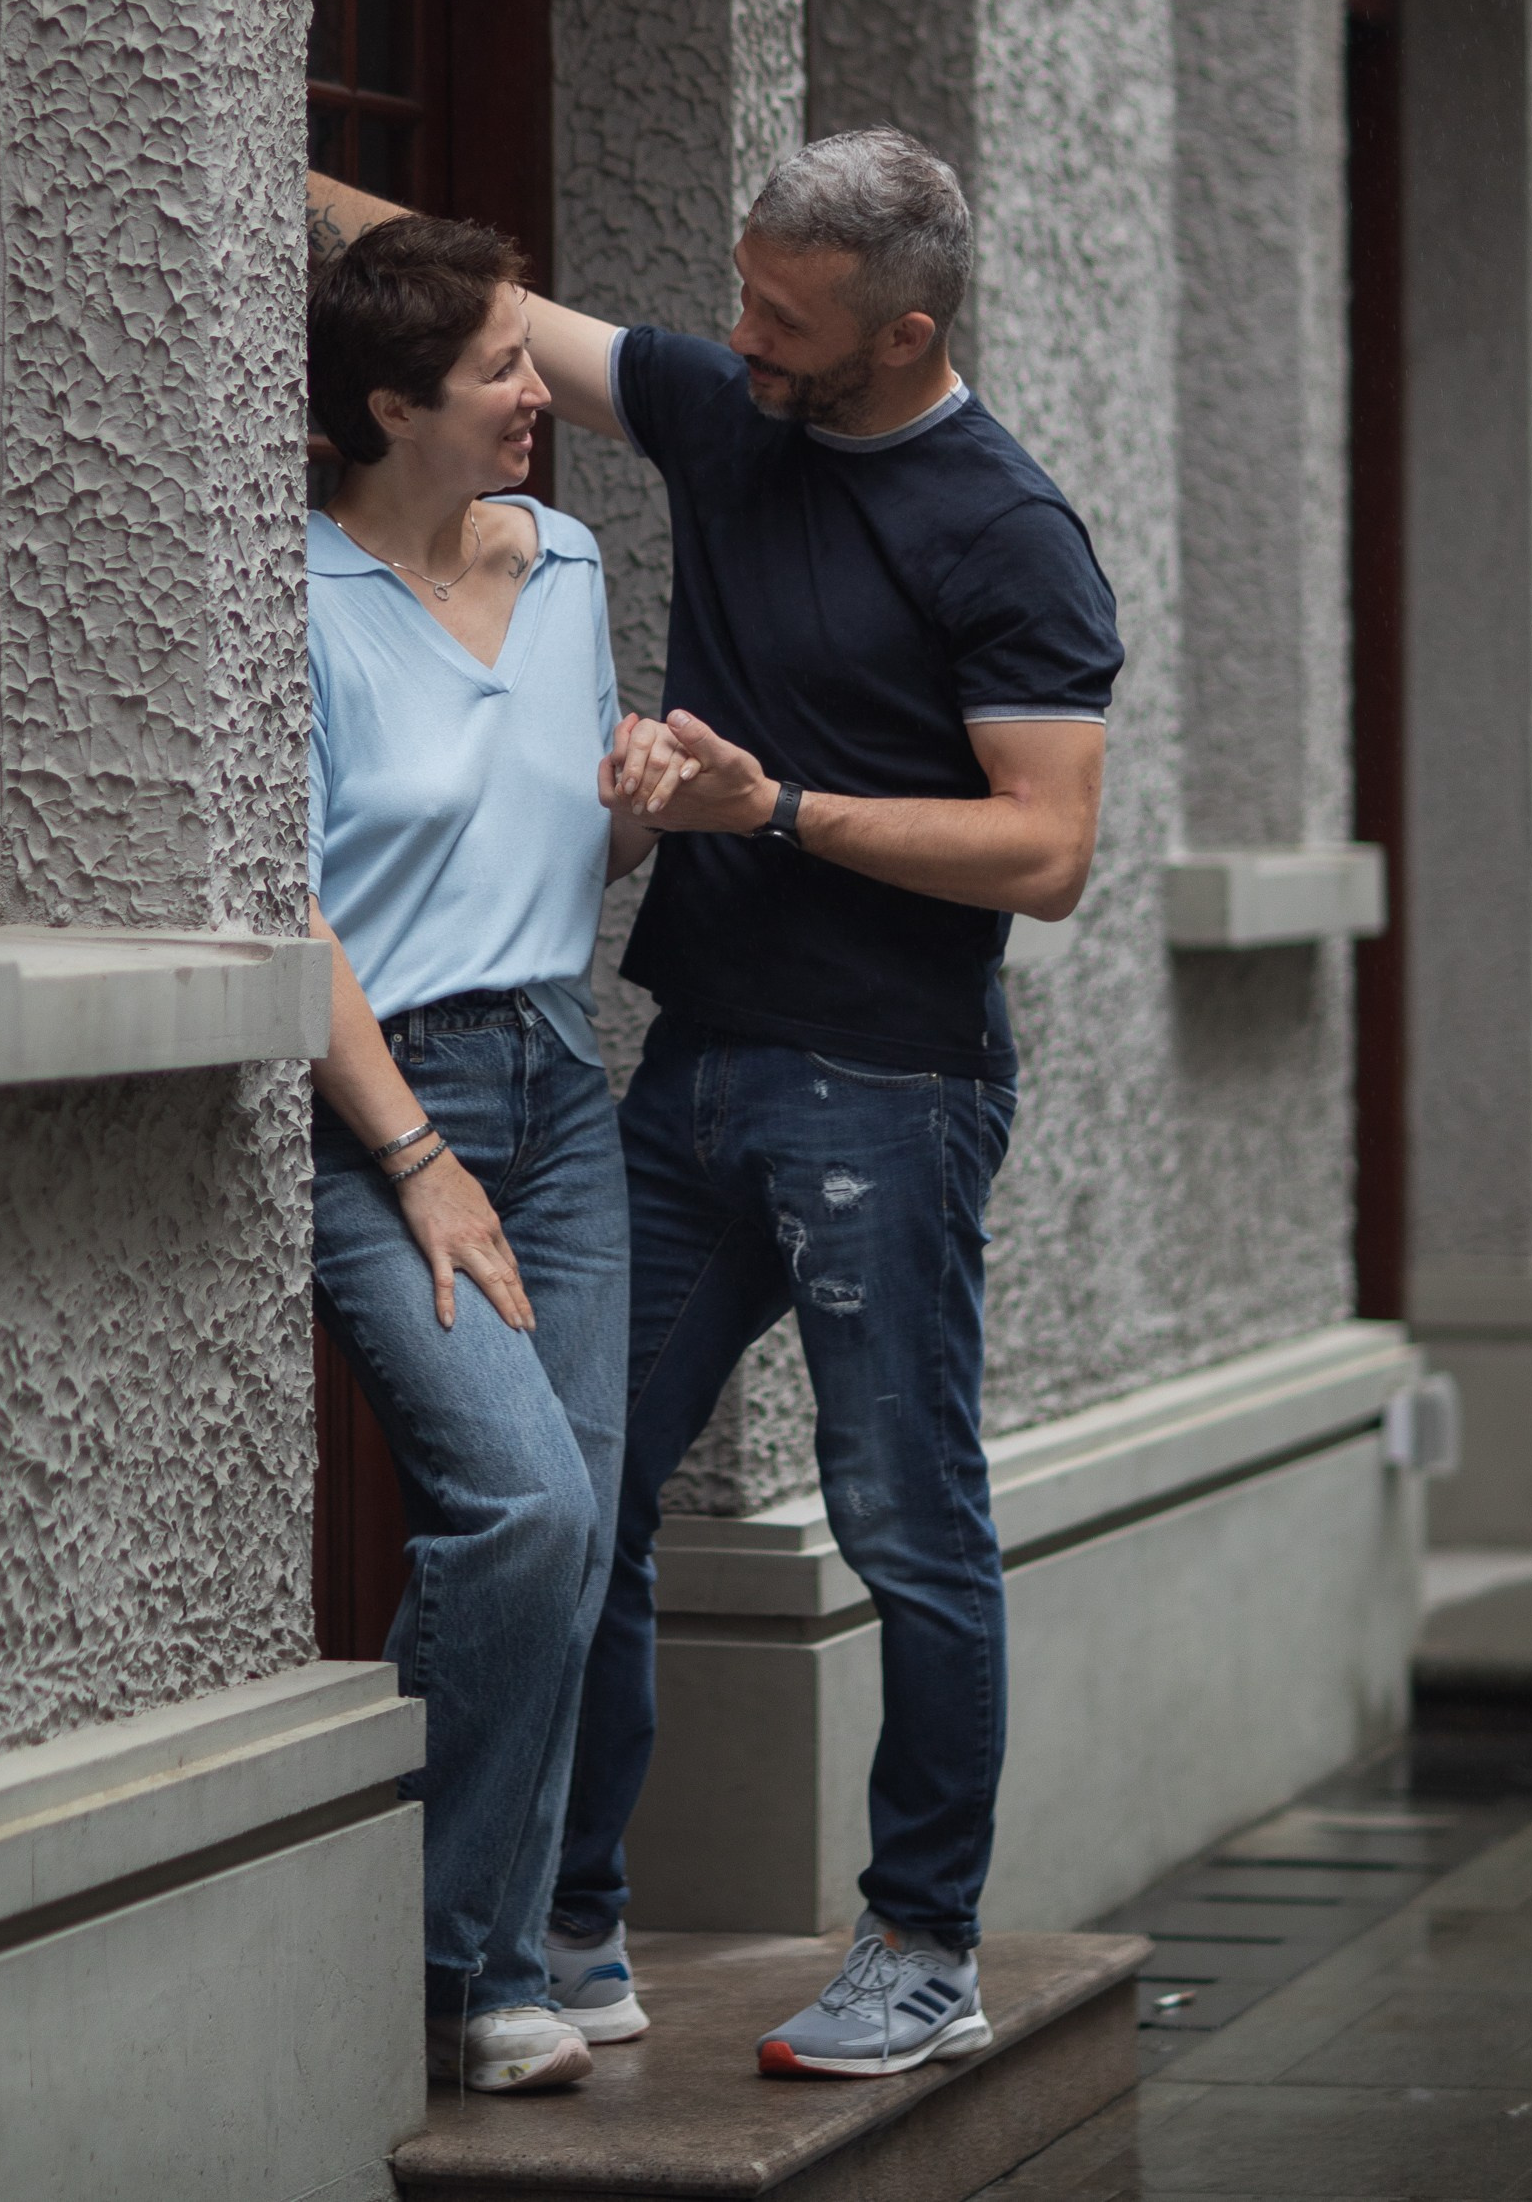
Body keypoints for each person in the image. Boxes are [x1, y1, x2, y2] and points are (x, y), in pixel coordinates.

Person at [306, 129, 1121, 2080]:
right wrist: (258, 120)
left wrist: (767, 809)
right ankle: (564, 1922)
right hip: (673, 1079)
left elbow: (1047, 851)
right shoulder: (732, 406)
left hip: (884, 1095)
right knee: (588, 1501)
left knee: (906, 1525)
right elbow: (485, 316)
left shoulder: (1002, 530)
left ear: (896, 332)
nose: (728, 334)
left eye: (780, 314)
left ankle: (922, 1945)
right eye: (737, 293)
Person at [304, 212, 693, 2096]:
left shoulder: (569, 564)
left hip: (560, 1076)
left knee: (567, 1530)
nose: (544, 394)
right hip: (387, 1105)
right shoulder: (294, 597)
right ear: (394, 408)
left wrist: (637, 816)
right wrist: (412, 1160)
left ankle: (465, 1946)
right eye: (503, 372)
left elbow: (555, 855)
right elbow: (294, 917)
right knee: (522, 1510)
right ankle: (465, 1961)